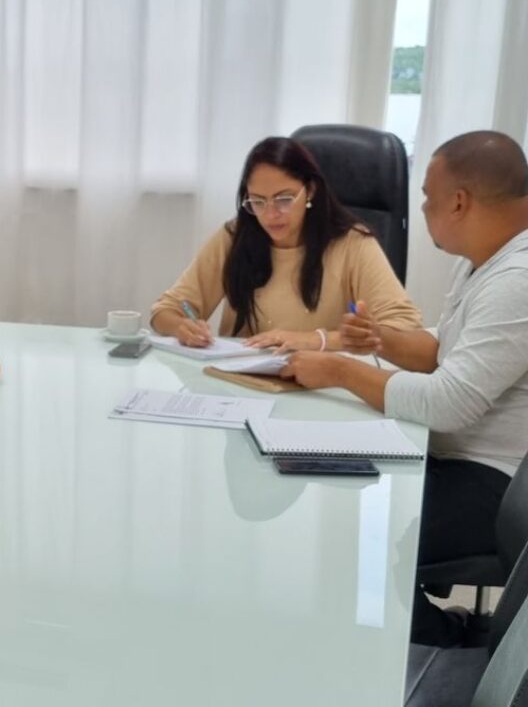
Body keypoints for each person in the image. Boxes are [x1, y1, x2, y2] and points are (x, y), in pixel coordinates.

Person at [280, 130, 528, 646]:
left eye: (428, 199)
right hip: (458, 456)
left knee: (358, 539)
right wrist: (381, 340)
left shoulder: (518, 278)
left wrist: (342, 370)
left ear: (459, 202)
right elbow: (450, 346)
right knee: (336, 502)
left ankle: (452, 653)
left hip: (496, 482)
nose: (424, 208)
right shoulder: (490, 258)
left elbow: (448, 403)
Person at [151, 136, 421, 350]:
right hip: (240, 384)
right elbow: (166, 310)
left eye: (283, 199)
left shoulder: (352, 243)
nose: (270, 214)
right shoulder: (235, 236)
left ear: (310, 190)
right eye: (257, 201)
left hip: (320, 386)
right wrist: (180, 327)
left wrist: (317, 340)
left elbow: (403, 326)